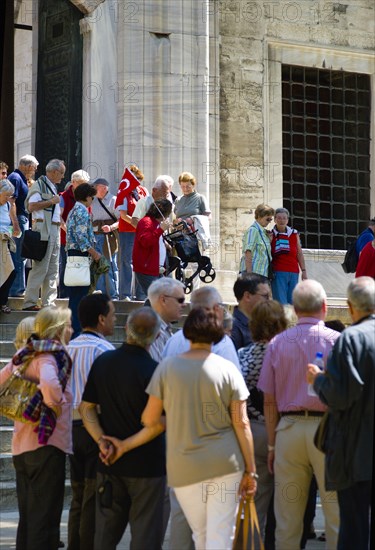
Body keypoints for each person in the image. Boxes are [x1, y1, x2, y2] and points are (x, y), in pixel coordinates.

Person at [107, 308, 257, 549]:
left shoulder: (167, 368)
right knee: (221, 535)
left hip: (184, 463)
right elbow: (242, 424)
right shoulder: (229, 369)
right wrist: (251, 470)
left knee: (199, 533)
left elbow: (149, 419)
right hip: (225, 461)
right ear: (218, 335)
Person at [258, 280, 340, 549]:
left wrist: (272, 444)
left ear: (294, 308)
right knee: (335, 513)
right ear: (324, 308)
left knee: (287, 517)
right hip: (328, 431)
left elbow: (269, 400)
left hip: (289, 429)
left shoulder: (277, 343)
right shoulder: (337, 342)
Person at [79, 308, 166, 550]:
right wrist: (124, 446)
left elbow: (86, 409)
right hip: (147, 466)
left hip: (109, 462)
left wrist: (102, 442)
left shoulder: (104, 362)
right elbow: (159, 423)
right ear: (157, 336)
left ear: (126, 329)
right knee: (146, 538)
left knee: (105, 535)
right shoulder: (156, 371)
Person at [162, 285, 240, 550]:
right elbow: (235, 405)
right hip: (215, 444)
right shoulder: (223, 344)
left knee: (182, 514)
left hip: (180, 443)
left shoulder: (173, 342)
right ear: (216, 309)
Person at [307, 277, 375, 550]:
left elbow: (340, 395)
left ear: (350, 307)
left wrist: (318, 380)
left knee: (354, 527)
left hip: (355, 451)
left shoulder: (352, 339)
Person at [0, 306, 73, 549]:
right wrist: (55, 404)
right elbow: (52, 386)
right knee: (45, 518)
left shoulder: (26, 354)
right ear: (59, 330)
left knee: (29, 518)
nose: (72, 330)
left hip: (23, 448)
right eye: (69, 325)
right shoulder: (49, 356)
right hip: (46, 446)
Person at [66, 293, 116, 550]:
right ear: (100, 319)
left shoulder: (69, 348)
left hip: (69, 430)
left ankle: (75, 543)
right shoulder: (105, 351)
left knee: (78, 495)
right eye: (112, 315)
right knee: (92, 495)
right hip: (94, 428)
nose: (114, 320)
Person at [239, 300, 288, 543]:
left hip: (246, 432)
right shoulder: (281, 353)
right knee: (283, 508)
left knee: (252, 506)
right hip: (276, 432)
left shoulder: (242, 354)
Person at [22, 159, 65, 311]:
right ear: (53, 172)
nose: (62, 176)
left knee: (53, 268)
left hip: (54, 230)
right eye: (61, 173)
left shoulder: (51, 186)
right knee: (40, 267)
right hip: (43, 230)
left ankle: (49, 303)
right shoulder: (39, 185)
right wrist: (51, 201)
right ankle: (30, 302)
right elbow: (31, 206)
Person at [162, 286, 240, 368]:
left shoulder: (173, 340)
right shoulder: (222, 343)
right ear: (216, 308)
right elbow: (234, 377)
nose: (222, 310)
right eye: (221, 306)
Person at [65, 183, 100, 338]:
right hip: (80, 254)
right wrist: (94, 253)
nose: (92, 200)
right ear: (87, 197)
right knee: (79, 296)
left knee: (76, 295)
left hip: (75, 254)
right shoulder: (81, 211)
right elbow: (81, 237)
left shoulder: (75, 209)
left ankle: (74, 330)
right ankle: (76, 332)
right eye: (92, 197)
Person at [7, 155, 39, 298]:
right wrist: (15, 224)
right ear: (28, 166)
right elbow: (11, 202)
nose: (35, 170)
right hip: (19, 219)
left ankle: (18, 288)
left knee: (21, 255)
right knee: (19, 255)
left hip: (22, 218)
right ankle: (17, 289)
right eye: (34, 167)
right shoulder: (15, 178)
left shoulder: (19, 178)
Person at [115, 164, 149, 300]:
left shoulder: (143, 191)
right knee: (126, 262)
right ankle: (125, 294)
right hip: (127, 232)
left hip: (141, 232)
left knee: (141, 262)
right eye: (135, 179)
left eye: (139, 179)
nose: (138, 182)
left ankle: (141, 294)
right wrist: (138, 224)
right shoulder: (124, 193)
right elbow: (123, 215)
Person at [59, 169, 91, 298]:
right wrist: (68, 230)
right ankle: (64, 294)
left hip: (81, 241)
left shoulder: (85, 198)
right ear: (73, 182)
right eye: (82, 183)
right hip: (65, 238)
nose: (84, 186)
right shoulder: (64, 196)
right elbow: (59, 217)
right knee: (66, 265)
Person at [132, 199, 172, 296]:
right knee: (156, 298)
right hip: (147, 268)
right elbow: (146, 241)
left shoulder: (155, 223)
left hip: (155, 268)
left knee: (160, 297)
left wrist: (164, 243)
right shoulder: (147, 222)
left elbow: (154, 239)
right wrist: (161, 230)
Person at [271, 207, 308, 304]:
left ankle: (290, 320)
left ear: (287, 220)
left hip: (293, 272)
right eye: (279, 218)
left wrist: (303, 271)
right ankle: (282, 320)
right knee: (280, 302)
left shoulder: (294, 234)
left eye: (284, 218)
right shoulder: (271, 235)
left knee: (292, 302)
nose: (281, 220)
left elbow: (299, 253)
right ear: (275, 219)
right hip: (278, 272)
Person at [91, 177, 120, 299]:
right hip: (96, 236)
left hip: (109, 237)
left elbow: (121, 219)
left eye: (95, 187)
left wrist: (111, 227)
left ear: (103, 188)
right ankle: (100, 293)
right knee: (98, 265)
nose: (93, 189)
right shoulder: (93, 201)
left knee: (109, 264)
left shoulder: (114, 200)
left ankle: (113, 294)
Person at [147, 278, 186, 361]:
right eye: (180, 300)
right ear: (163, 300)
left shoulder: (164, 329)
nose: (184, 305)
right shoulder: (151, 331)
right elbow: (159, 369)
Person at [231, 273, 271, 350]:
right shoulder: (233, 328)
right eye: (265, 296)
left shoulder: (262, 323)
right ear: (247, 296)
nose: (269, 300)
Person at [0, 179, 20, 313]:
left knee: (11, 273)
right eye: (6, 195)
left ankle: (2, 302)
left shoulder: (7, 205)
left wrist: (14, 231)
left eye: (10, 195)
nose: (8, 198)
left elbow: (8, 225)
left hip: (4, 242)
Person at [239, 203, 275, 279]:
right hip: (253, 273)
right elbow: (248, 252)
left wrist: (269, 241)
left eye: (270, 219)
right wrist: (249, 275)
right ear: (259, 216)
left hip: (262, 273)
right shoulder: (253, 230)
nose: (269, 222)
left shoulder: (263, 232)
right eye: (268, 219)